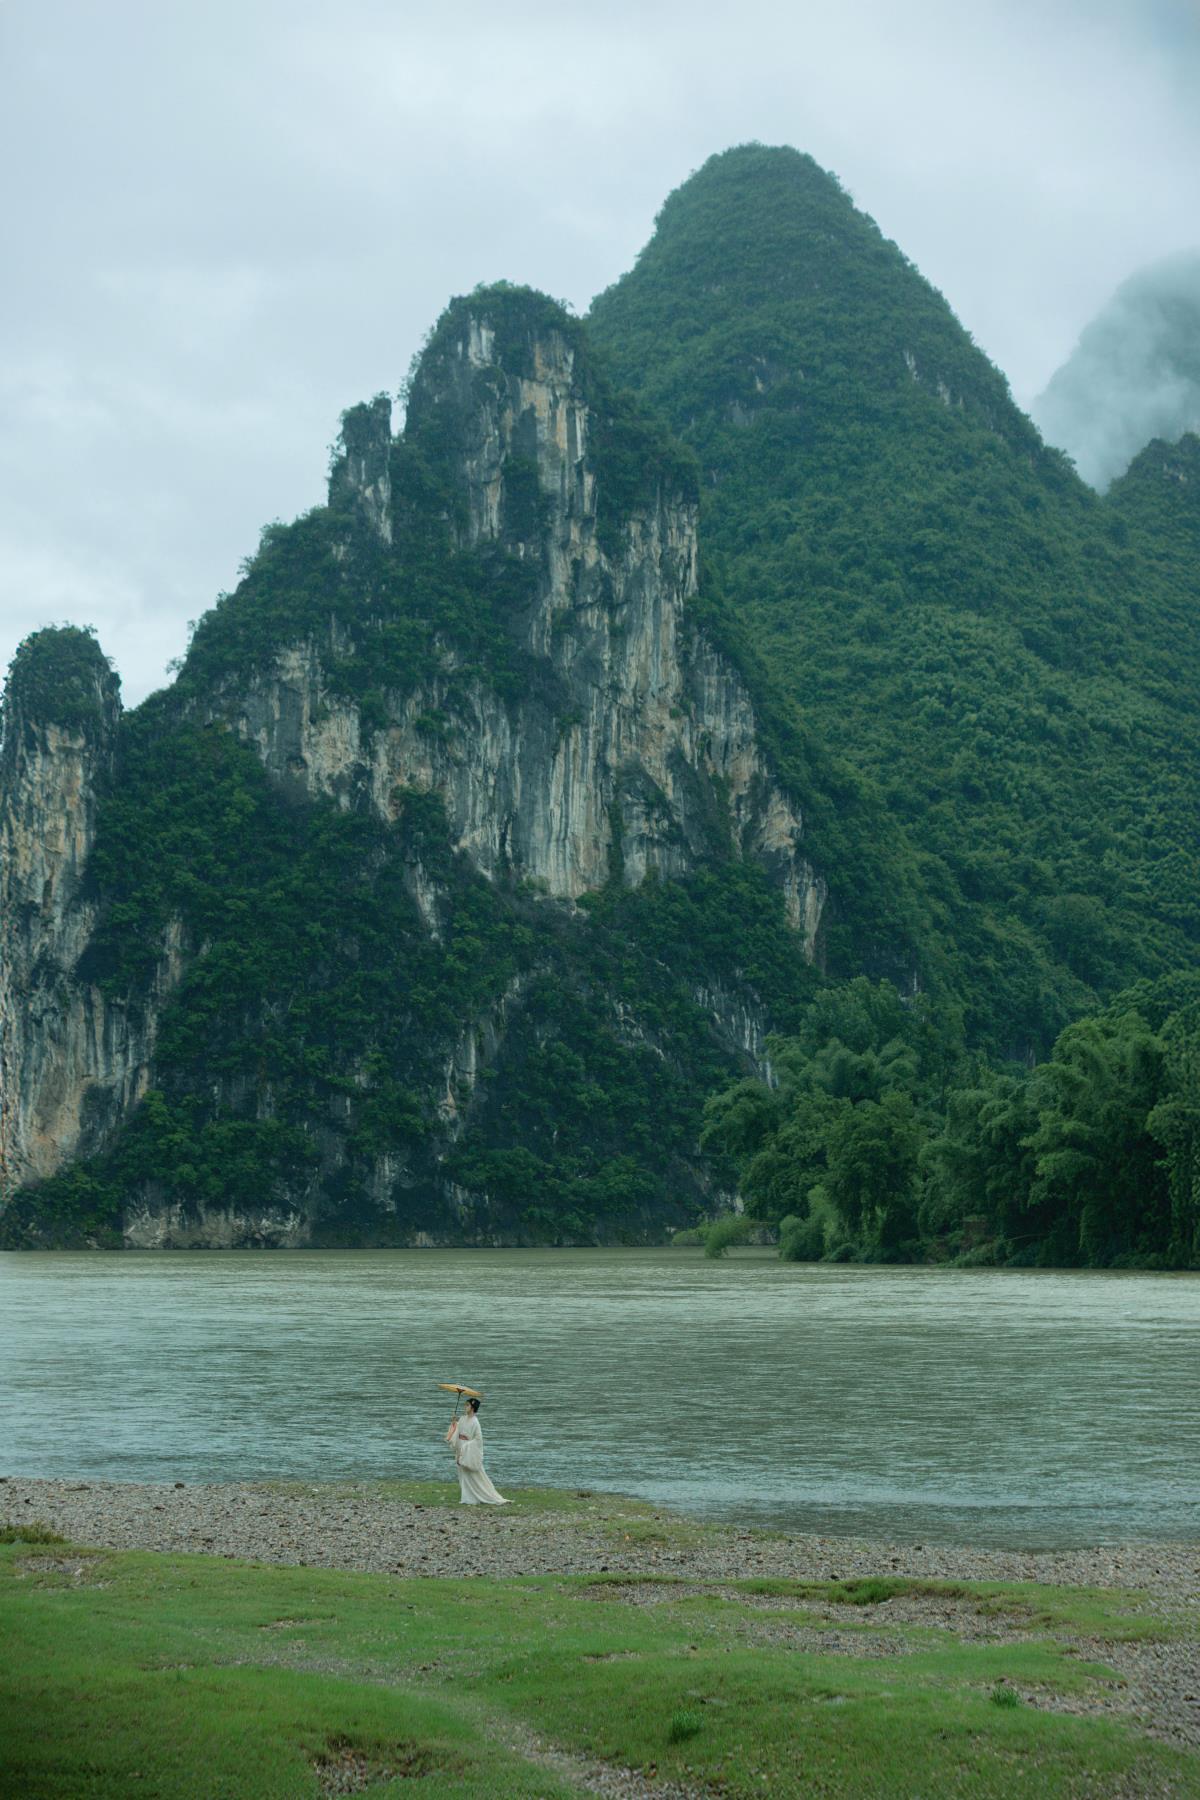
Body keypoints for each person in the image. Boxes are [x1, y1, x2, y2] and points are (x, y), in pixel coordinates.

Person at [445, 1396, 508, 1506]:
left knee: (474, 1474)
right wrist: (454, 1422)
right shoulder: (463, 1418)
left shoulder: (475, 1422)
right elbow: (457, 1430)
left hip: (468, 1449)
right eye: (465, 1405)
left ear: (473, 1407)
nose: (465, 1407)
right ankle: (466, 1497)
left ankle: (477, 1496)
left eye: (467, 1405)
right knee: (462, 1473)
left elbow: (478, 1440)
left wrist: (466, 1447)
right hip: (460, 1444)